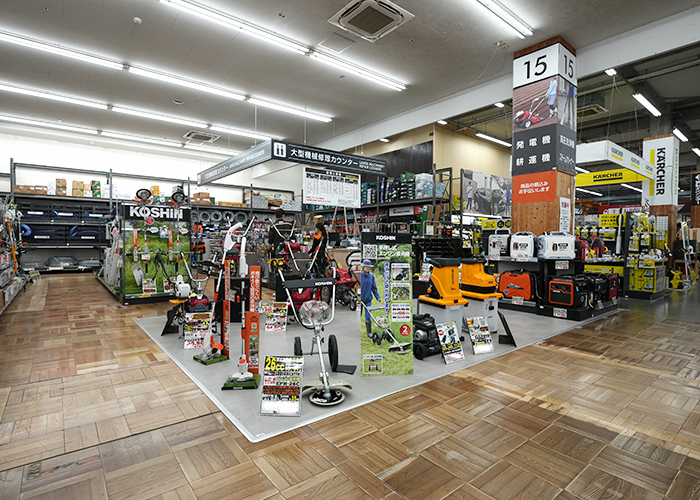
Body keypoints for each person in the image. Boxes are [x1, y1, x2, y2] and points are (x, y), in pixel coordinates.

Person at [360, 259, 381, 338]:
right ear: (363, 267)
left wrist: (378, 297)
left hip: (368, 299)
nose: (368, 268)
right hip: (360, 300)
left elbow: (374, 288)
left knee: (368, 316)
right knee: (359, 316)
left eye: (369, 267)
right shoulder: (360, 275)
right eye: (366, 267)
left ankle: (369, 333)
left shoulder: (371, 276)